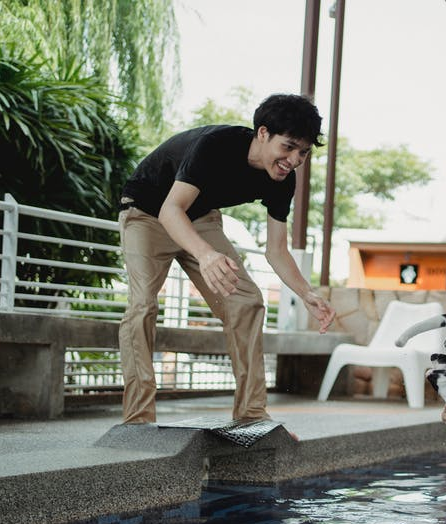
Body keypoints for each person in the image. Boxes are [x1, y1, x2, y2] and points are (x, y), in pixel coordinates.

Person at [117, 93, 336, 424]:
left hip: (199, 217)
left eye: (303, 152)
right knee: (143, 305)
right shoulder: (215, 145)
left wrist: (307, 294)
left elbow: (276, 249)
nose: (293, 159)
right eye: (288, 147)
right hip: (147, 211)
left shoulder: (282, 180)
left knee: (247, 301)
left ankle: (251, 414)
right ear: (263, 134)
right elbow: (170, 209)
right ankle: (138, 419)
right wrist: (205, 255)